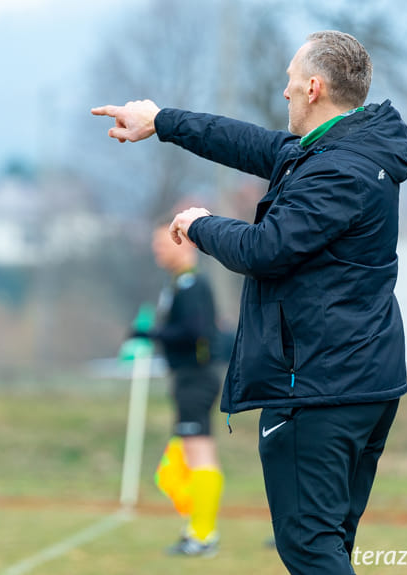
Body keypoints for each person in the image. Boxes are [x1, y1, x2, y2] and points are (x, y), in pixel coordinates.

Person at [93, 30, 407, 574]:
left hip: (320, 388)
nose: (284, 93)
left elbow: (266, 248)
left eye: (290, 82)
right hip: (356, 382)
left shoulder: (339, 170)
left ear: (313, 87)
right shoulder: (337, 152)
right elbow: (248, 143)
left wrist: (200, 224)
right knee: (329, 545)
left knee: (310, 549)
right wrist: (162, 120)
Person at [133, 221, 224, 557]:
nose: (158, 251)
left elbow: (195, 331)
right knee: (181, 463)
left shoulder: (193, 285)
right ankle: (199, 528)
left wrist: (150, 335)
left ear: (183, 244)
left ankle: (203, 534)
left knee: (198, 456)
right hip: (186, 378)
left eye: (163, 244)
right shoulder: (176, 285)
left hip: (196, 378)